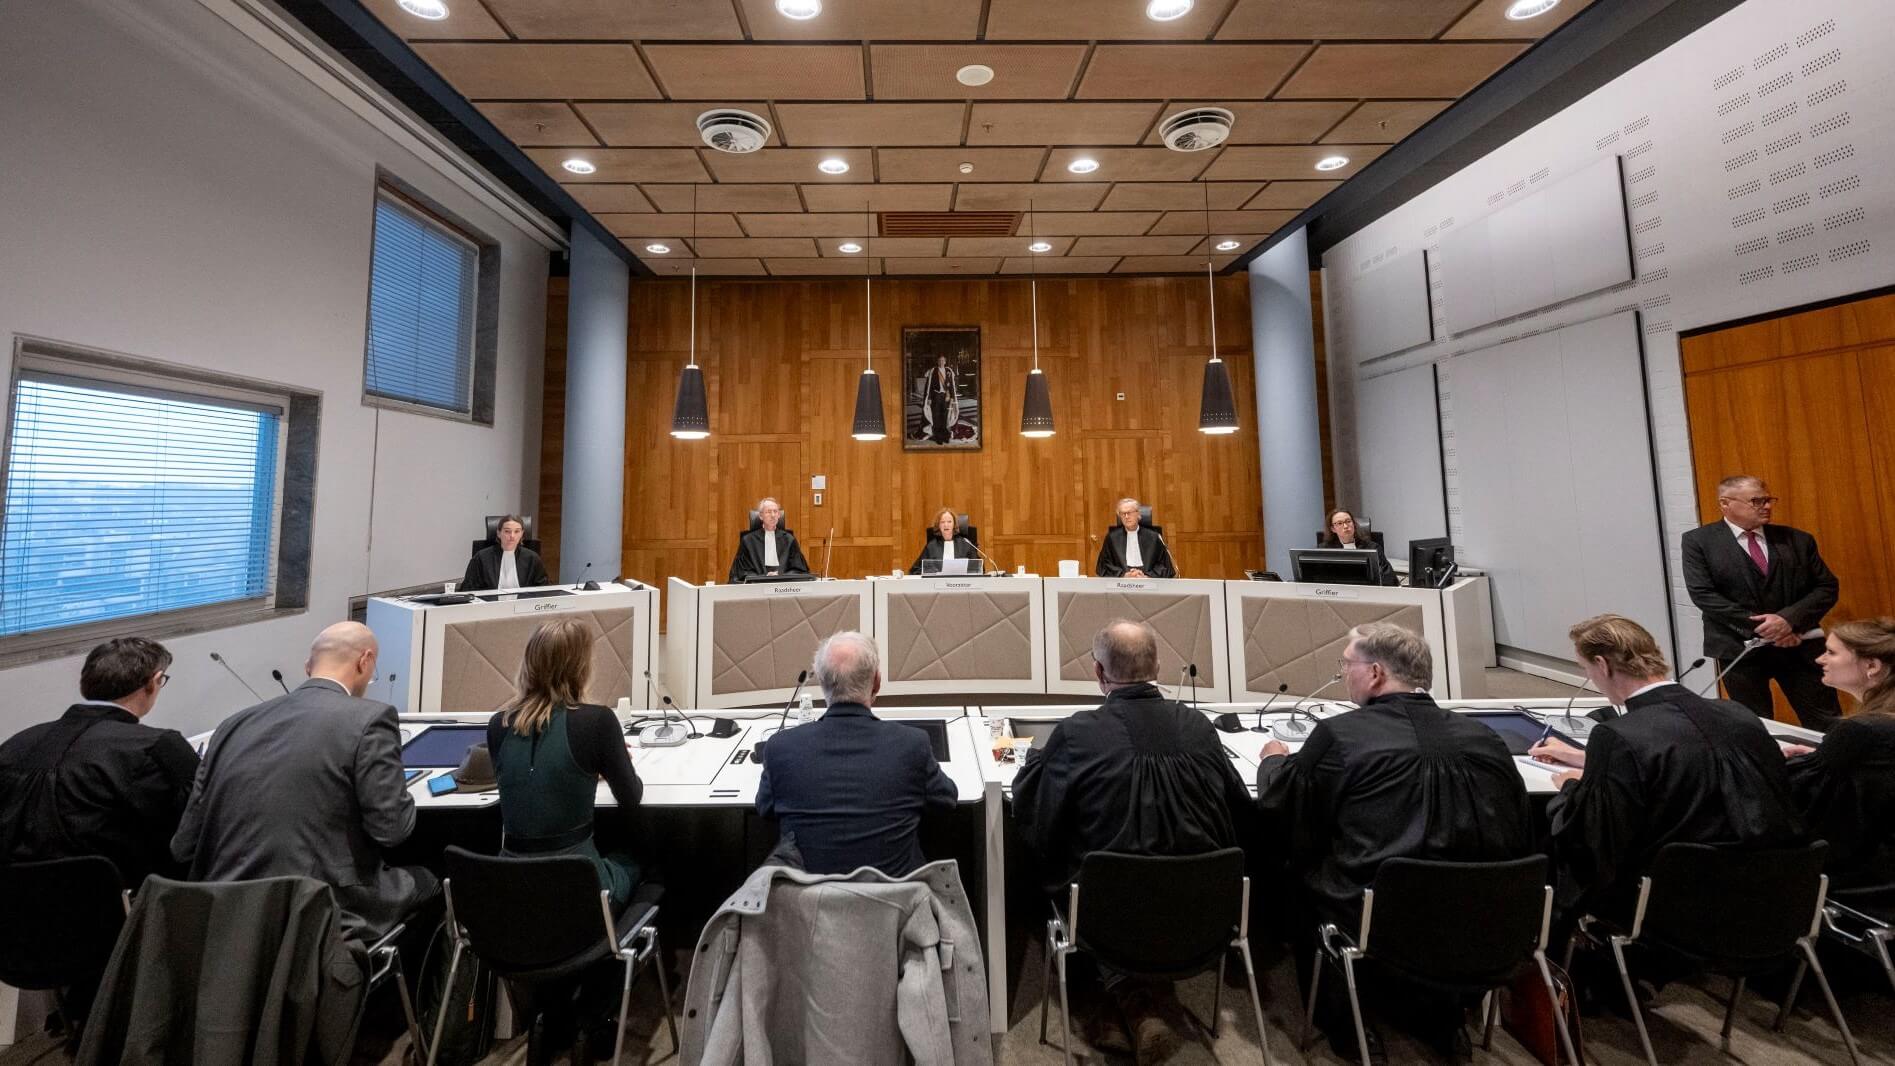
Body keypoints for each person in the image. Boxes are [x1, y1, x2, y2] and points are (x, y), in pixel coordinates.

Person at [1255, 622, 1530, 1060]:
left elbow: (1281, 806)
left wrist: (1272, 762)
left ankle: (1344, 1019)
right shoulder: (1486, 737)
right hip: (1481, 915)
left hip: (1374, 914)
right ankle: (1442, 1016)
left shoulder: (1342, 735)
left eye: (1347, 665)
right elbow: (1518, 825)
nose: (1344, 674)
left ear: (1376, 673)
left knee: (1293, 868)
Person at [1012, 619, 1252, 1059]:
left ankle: (1108, 1002)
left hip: (1108, 917)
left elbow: (1038, 820)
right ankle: (1137, 1003)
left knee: (1055, 868)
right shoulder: (1199, 728)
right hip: (1200, 913)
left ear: (1099, 675)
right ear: (1159, 666)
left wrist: (1035, 763)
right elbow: (1241, 812)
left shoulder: (1078, 733)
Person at [1530, 613, 1804, 925]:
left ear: (1603, 665)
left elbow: (1595, 838)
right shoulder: (1738, 714)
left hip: (1668, 904)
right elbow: (1690, 756)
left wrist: (1572, 788)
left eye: (1586, 669)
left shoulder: (1618, 734)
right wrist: (1590, 761)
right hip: (1765, 895)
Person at [171, 622, 436, 941]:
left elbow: (183, 846)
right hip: (322, 907)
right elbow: (391, 829)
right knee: (431, 881)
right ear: (365, 661)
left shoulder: (232, 725)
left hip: (223, 910)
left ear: (308, 666)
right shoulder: (370, 719)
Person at [0, 637, 198, 888]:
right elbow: (198, 826)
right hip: (117, 908)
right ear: (154, 682)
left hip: (14, 909)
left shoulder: (16, 744)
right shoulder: (157, 746)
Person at [755, 631, 956, 876]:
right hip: (894, 907)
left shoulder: (780, 748)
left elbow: (765, 808)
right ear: (877, 682)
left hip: (808, 907)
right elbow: (947, 799)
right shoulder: (912, 745)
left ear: (821, 681)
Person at [488, 619, 643, 907]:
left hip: (512, 890)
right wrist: (609, 762)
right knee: (651, 861)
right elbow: (631, 797)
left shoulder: (498, 725)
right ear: (580, 668)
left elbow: (531, 785)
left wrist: (585, 769)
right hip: (582, 892)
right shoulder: (597, 721)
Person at [1681, 476, 1841, 730]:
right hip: (1739, 648)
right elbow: (1703, 594)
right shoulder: (1699, 542)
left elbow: (1826, 587)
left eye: (1768, 500)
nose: (1766, 506)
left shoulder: (1798, 540)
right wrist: (1765, 628)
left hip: (1799, 645)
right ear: (1725, 504)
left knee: (1827, 723)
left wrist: (1788, 621)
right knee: (1755, 728)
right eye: (1757, 501)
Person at [1782, 618, 1895, 891]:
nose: (1821, 659)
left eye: (1831, 652)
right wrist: (1824, 757)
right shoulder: (1874, 730)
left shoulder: (1861, 731)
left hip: (1865, 876)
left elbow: (1801, 797)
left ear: (1872, 666)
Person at [728, 497, 810, 583]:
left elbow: (799, 570)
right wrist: (764, 577)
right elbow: (741, 572)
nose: (773, 515)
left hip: (783, 586)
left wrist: (781, 576)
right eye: (768, 512)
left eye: (775, 512)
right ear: (760, 516)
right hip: (757, 587)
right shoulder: (748, 541)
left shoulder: (789, 539)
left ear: (779, 515)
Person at [462, 514, 551, 592]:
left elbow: (544, 589)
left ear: (522, 534)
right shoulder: (481, 558)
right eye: (507, 531)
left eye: (517, 531)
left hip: (523, 605)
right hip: (490, 606)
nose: (512, 536)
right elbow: (468, 588)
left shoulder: (532, 558)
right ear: (498, 533)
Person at [1094, 498, 1175, 579]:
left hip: (1149, 583)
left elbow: (1165, 566)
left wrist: (1147, 576)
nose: (1126, 516)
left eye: (1129, 513)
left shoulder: (1154, 537)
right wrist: (1123, 575)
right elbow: (1104, 565)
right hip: (1121, 584)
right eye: (1122, 513)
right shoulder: (1112, 538)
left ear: (1138, 514)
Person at [1318, 508, 1397, 586]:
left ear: (1354, 524)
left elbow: (1388, 577)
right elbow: (1319, 577)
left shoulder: (1372, 548)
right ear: (1333, 529)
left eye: (1348, 521)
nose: (1345, 526)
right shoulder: (1325, 550)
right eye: (1339, 523)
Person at [909, 507, 981, 574]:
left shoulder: (966, 544)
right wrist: (932, 573)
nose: (946, 525)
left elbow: (978, 568)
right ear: (938, 525)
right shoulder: (931, 546)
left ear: (954, 524)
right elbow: (915, 569)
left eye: (949, 522)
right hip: (937, 584)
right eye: (942, 522)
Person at [924, 354, 957, 444]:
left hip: (946, 396)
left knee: (945, 416)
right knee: (936, 416)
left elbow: (952, 386)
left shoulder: (948, 371)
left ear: (945, 362)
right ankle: (938, 437)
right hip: (936, 396)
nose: (941, 362)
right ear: (937, 362)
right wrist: (930, 398)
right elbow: (929, 386)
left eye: (943, 360)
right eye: (940, 360)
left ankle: (945, 436)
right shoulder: (933, 371)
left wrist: (953, 397)